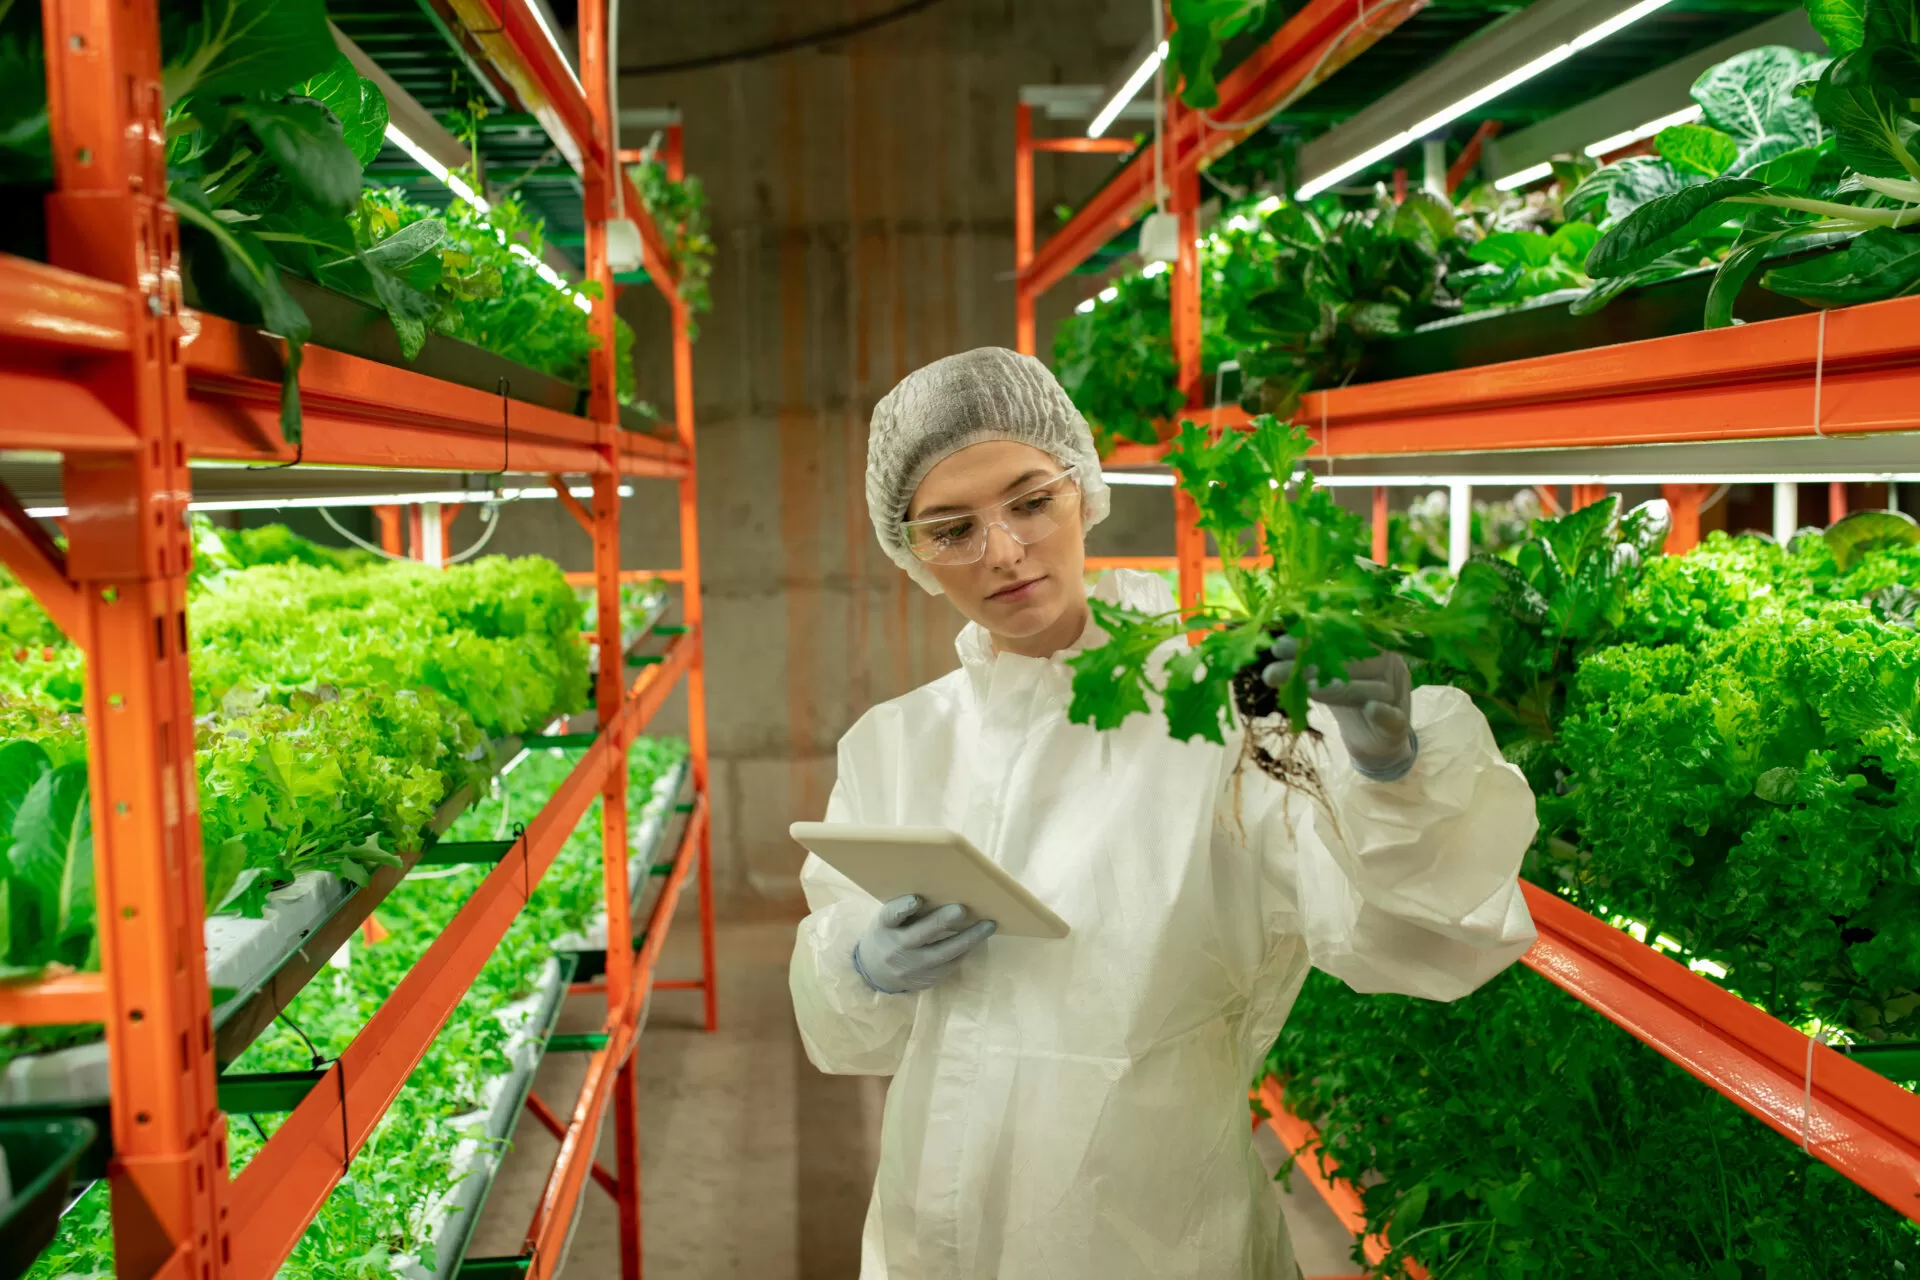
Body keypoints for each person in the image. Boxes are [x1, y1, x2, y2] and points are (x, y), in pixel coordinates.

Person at [789, 347, 1537, 1280]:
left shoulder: (1219, 717)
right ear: (910, 551)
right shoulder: (894, 747)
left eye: (1030, 501)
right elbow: (842, 1025)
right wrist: (861, 965)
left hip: (1162, 1230)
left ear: (1084, 490)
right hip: (933, 1227)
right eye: (952, 529)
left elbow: (1413, 934)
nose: (1004, 553)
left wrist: (1395, 775)